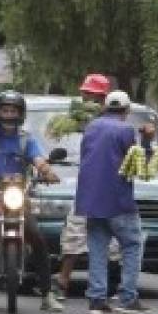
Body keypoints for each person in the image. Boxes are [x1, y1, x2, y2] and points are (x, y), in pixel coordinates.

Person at [0, 92, 64, 313]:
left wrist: (47, 172)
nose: (9, 115)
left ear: (20, 114)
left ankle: (47, 294)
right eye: (5, 110)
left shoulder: (26, 140)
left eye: (13, 111)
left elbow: (38, 159)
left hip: (17, 195)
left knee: (36, 236)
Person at [76, 90, 150, 314]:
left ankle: (97, 300)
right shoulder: (126, 130)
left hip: (90, 200)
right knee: (132, 245)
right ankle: (128, 298)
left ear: (104, 108)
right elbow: (138, 166)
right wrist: (147, 140)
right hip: (118, 199)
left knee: (98, 248)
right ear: (126, 111)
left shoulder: (91, 128)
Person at [56, 73, 113, 299]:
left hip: (108, 186)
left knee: (111, 238)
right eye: (85, 94)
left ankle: (106, 285)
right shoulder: (75, 122)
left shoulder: (112, 123)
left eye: (92, 96)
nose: (87, 99)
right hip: (86, 185)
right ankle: (63, 281)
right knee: (75, 232)